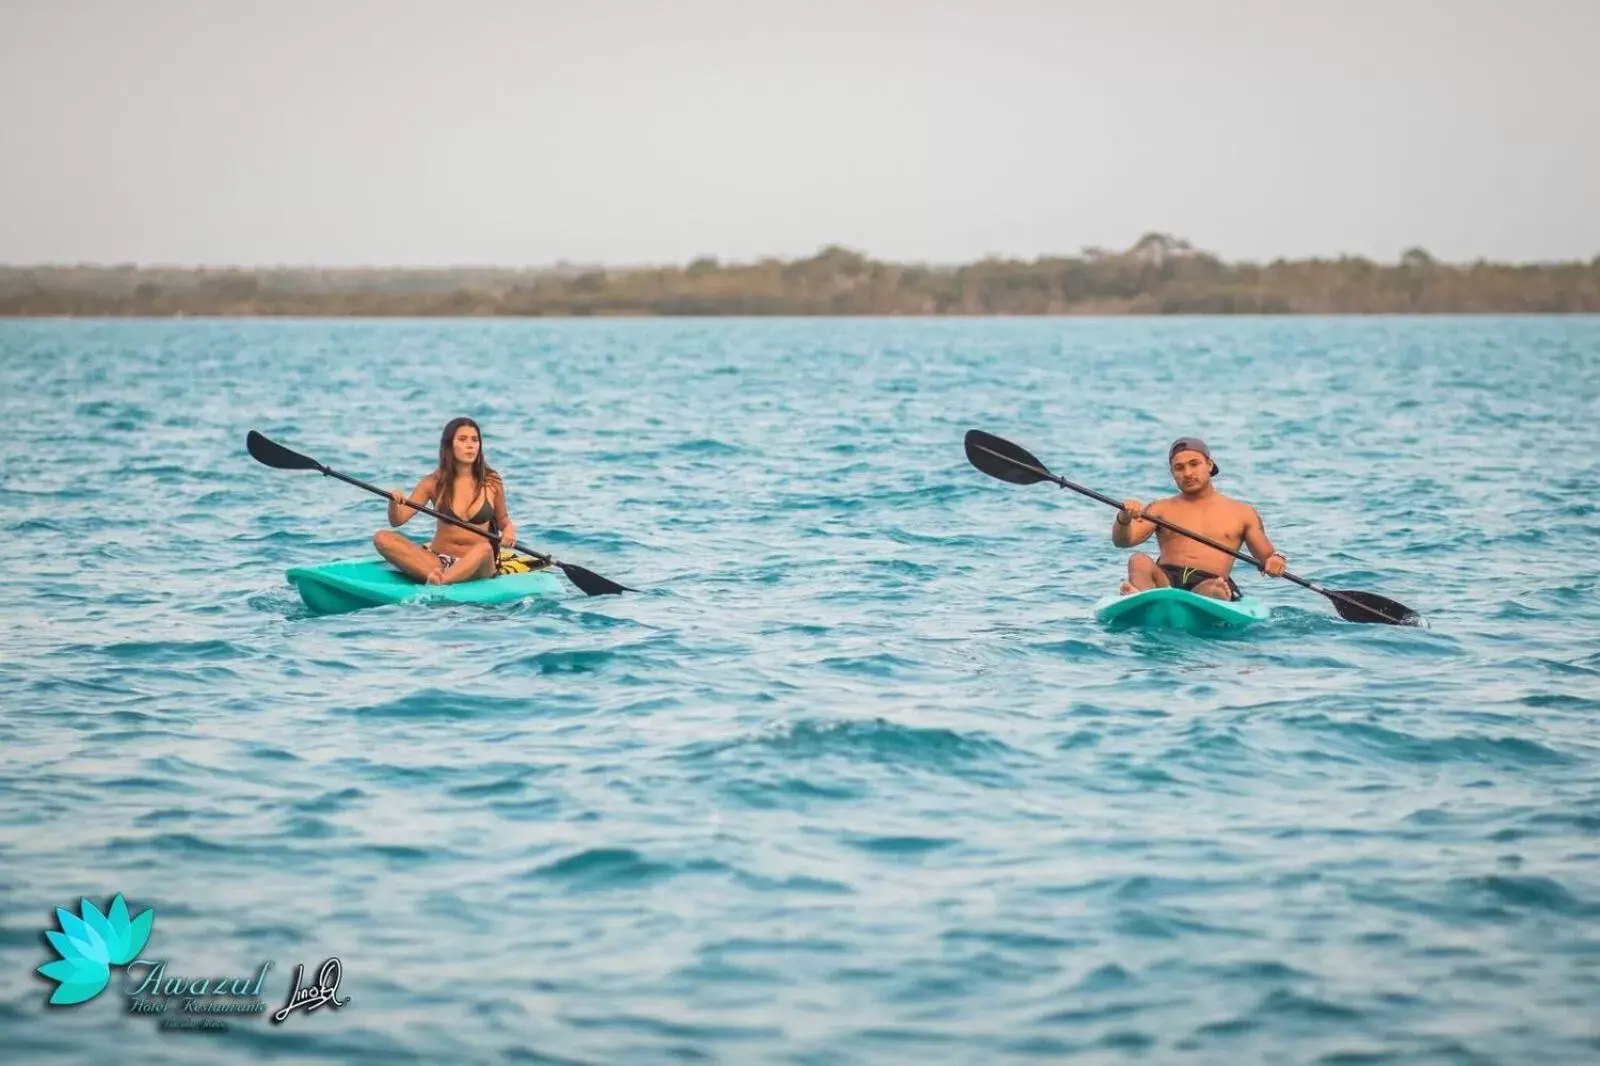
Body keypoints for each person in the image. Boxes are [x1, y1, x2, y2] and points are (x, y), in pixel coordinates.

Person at [1113, 437, 1286, 600]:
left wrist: (1276, 560)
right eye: (1179, 468)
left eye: (1194, 464)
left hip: (1210, 582)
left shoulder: (1242, 513)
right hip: (1165, 581)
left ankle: (1156, 597)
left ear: (1209, 465)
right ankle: (1142, 597)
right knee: (1138, 560)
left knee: (1215, 588)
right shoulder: (1160, 508)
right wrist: (1124, 517)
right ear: (1172, 472)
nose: (1187, 473)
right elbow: (1123, 541)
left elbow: (1267, 557)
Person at [374, 417, 519, 585]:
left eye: (475, 440)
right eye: (463, 439)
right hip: (438, 562)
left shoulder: (492, 482)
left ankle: (441, 581)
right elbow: (397, 520)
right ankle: (438, 576)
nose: (470, 445)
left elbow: (504, 521)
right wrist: (394, 502)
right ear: (449, 445)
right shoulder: (433, 482)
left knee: (484, 548)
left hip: (477, 566)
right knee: (382, 537)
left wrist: (509, 532)